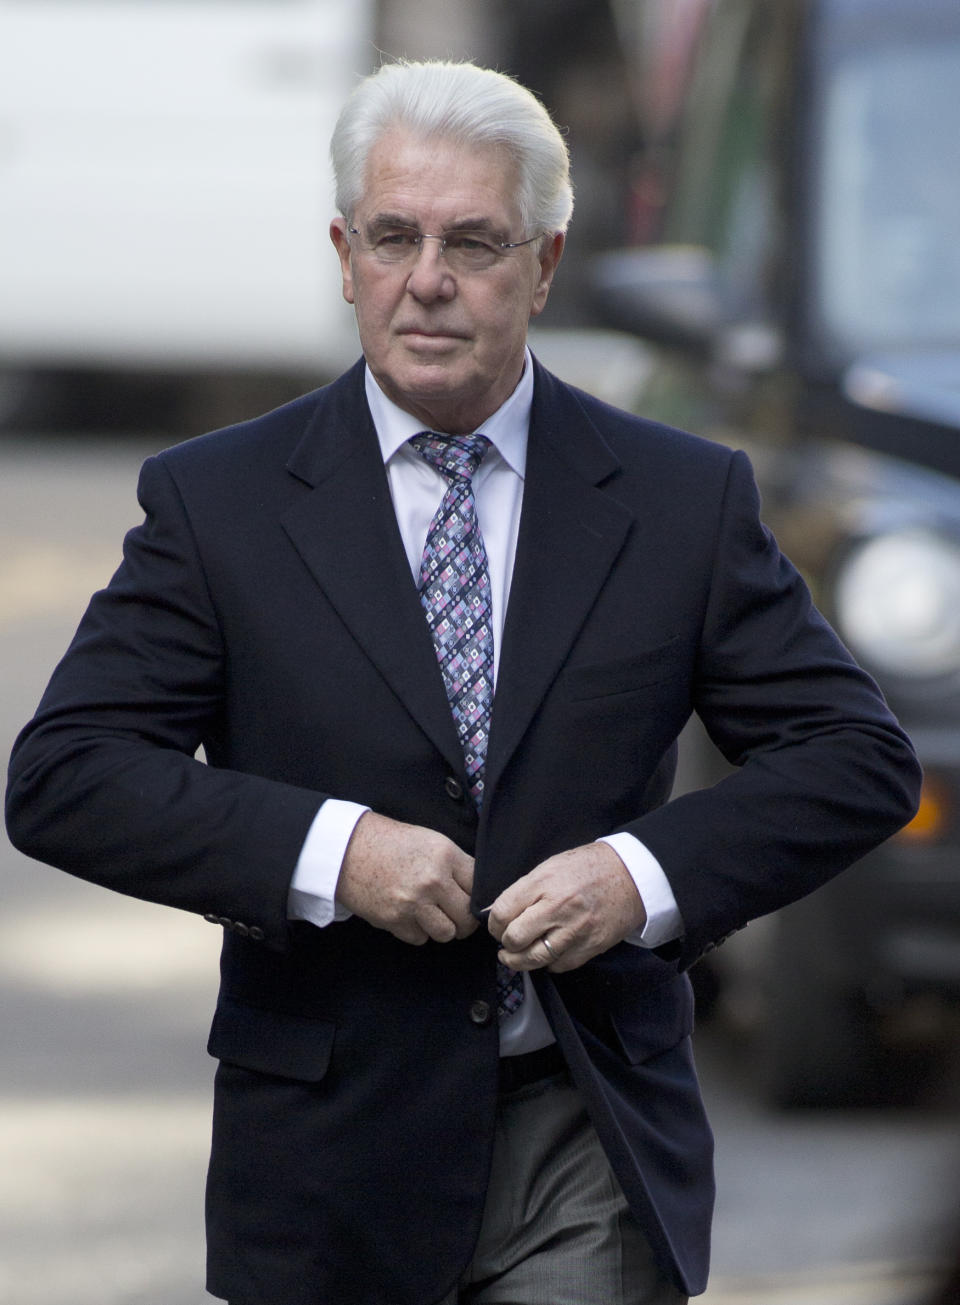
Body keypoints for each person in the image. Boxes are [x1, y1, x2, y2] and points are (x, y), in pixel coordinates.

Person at [5, 59, 921, 1305]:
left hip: (581, 1134)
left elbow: (855, 758)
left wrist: (636, 878)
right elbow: (66, 777)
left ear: (544, 265)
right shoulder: (216, 504)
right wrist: (337, 853)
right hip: (331, 1159)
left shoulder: (677, 501)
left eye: (474, 242)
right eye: (394, 236)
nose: (427, 279)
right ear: (344, 254)